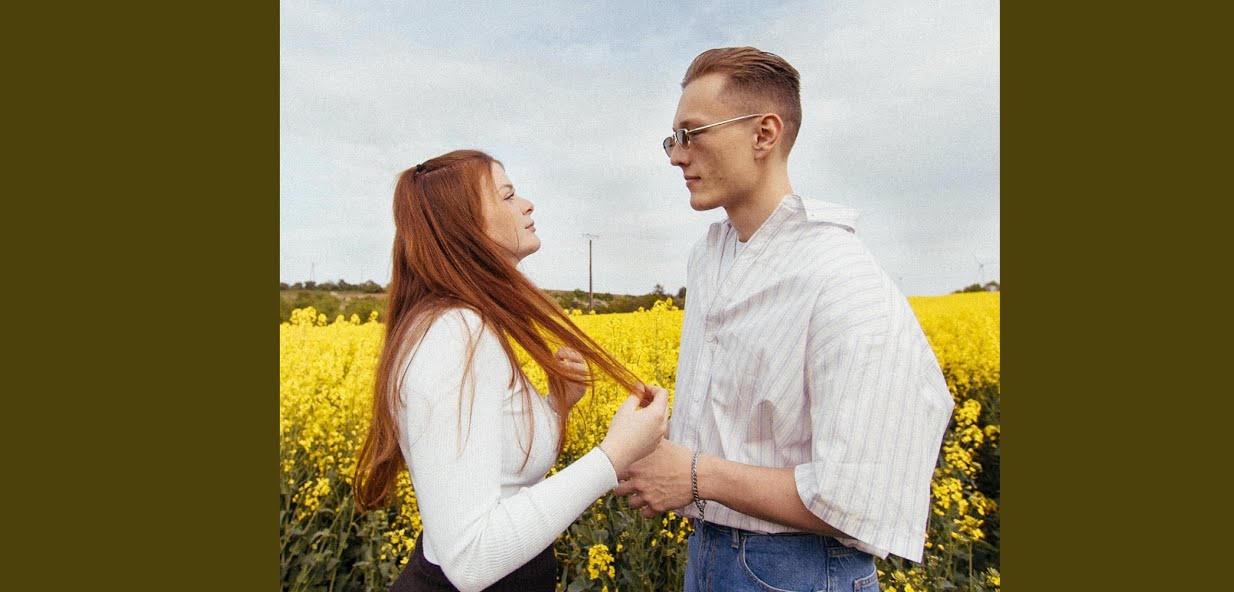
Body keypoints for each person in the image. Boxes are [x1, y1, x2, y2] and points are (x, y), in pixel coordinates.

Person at [614, 47, 955, 591]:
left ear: (764, 134)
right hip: (709, 552)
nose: (677, 155)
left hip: (799, 570)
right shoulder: (709, 257)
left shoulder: (840, 276)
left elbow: (861, 495)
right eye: (673, 138)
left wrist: (695, 474)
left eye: (692, 133)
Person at [353, 150, 669, 592]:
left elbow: (504, 477)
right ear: (465, 223)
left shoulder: (466, 323)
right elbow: (470, 560)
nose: (527, 204)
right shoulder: (455, 333)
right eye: (507, 195)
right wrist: (614, 455)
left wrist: (557, 405)